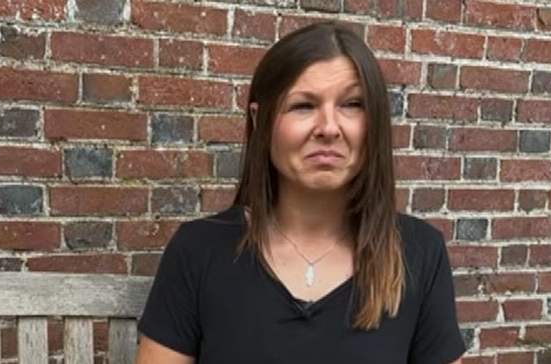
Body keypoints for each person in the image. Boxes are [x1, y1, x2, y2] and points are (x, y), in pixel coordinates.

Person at [135, 21, 465, 364]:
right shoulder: (199, 251)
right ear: (259, 121)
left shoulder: (418, 254)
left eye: (352, 104)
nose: (328, 128)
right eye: (303, 106)